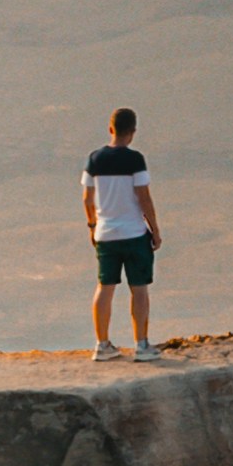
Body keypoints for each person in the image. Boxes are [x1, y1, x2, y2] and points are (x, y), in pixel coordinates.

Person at [83, 106, 164, 359]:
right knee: (138, 288)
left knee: (105, 287)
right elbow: (144, 197)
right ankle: (141, 345)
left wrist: (92, 225)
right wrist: (155, 229)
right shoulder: (135, 160)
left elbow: (87, 197)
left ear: (110, 129)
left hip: (105, 233)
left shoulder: (94, 159)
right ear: (133, 132)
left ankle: (102, 344)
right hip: (133, 233)